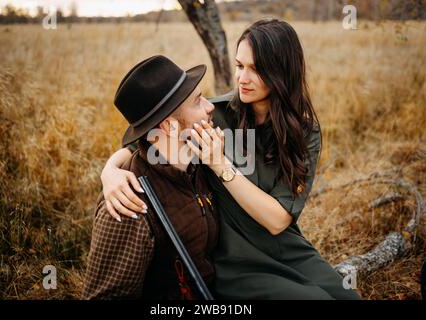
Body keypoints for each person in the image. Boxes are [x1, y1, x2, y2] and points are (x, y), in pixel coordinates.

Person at [99, 19, 361, 300]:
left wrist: (220, 164)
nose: (242, 79)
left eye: (256, 69)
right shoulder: (216, 113)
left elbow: (277, 221)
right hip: (235, 262)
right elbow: (151, 142)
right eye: (239, 66)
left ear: (282, 72)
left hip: (287, 249)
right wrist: (110, 170)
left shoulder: (305, 133)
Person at [82, 55, 220, 299]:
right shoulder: (129, 206)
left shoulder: (197, 163)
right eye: (198, 102)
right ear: (169, 127)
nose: (211, 107)